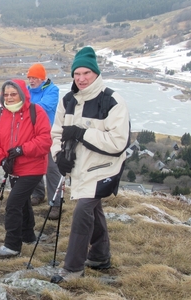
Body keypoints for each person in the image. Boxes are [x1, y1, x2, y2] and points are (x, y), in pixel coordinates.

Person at [50, 47, 130, 283]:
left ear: (96, 73)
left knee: (84, 210)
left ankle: (73, 269)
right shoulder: (68, 101)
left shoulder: (112, 100)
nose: (81, 79)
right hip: (79, 168)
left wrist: (83, 134)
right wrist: (58, 157)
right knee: (93, 208)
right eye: (77, 74)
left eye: (86, 73)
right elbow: (56, 134)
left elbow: (118, 142)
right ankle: (99, 256)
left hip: (105, 167)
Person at [0, 79, 52, 259]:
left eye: (13, 94)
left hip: (33, 168)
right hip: (13, 168)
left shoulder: (35, 112)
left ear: (22, 94)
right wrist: (1, 160)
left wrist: (21, 149)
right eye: (6, 94)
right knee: (22, 202)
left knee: (13, 204)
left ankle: (12, 245)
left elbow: (45, 141)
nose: (9, 98)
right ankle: (28, 236)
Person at [27, 63, 63, 220]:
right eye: (30, 78)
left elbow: (45, 106)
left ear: (43, 78)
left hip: (49, 134)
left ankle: (55, 204)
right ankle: (38, 194)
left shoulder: (52, 90)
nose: (32, 81)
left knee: (51, 168)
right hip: (32, 134)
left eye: (35, 78)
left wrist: (24, 107)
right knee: (32, 164)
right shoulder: (27, 91)